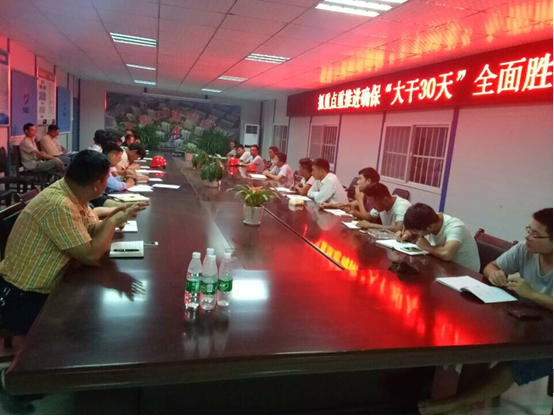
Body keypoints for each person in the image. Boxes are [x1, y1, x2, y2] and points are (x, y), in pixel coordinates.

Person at [419, 208, 553, 415]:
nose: (528, 237)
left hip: (548, 335)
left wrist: (532, 294)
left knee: (514, 363)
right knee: (481, 337)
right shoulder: (524, 249)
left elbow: (533, 296)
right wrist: (495, 274)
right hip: (526, 319)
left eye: (536, 234)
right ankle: (466, 395)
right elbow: (491, 266)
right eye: (529, 230)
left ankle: (459, 402)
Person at [0, 150, 146, 335]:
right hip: (22, 296)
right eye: (106, 178)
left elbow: (91, 229)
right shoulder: (59, 204)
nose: (107, 182)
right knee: (91, 328)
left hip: (44, 287)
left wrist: (115, 215)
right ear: (96, 185)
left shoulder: (73, 192)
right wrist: (113, 221)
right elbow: (90, 256)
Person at [398, 203, 480, 272]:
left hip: (464, 274)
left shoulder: (455, 227)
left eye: (415, 231)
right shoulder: (429, 219)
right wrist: (407, 234)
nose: (415, 233)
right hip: (442, 267)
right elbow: (415, 230)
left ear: (429, 228)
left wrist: (427, 247)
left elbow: (447, 254)